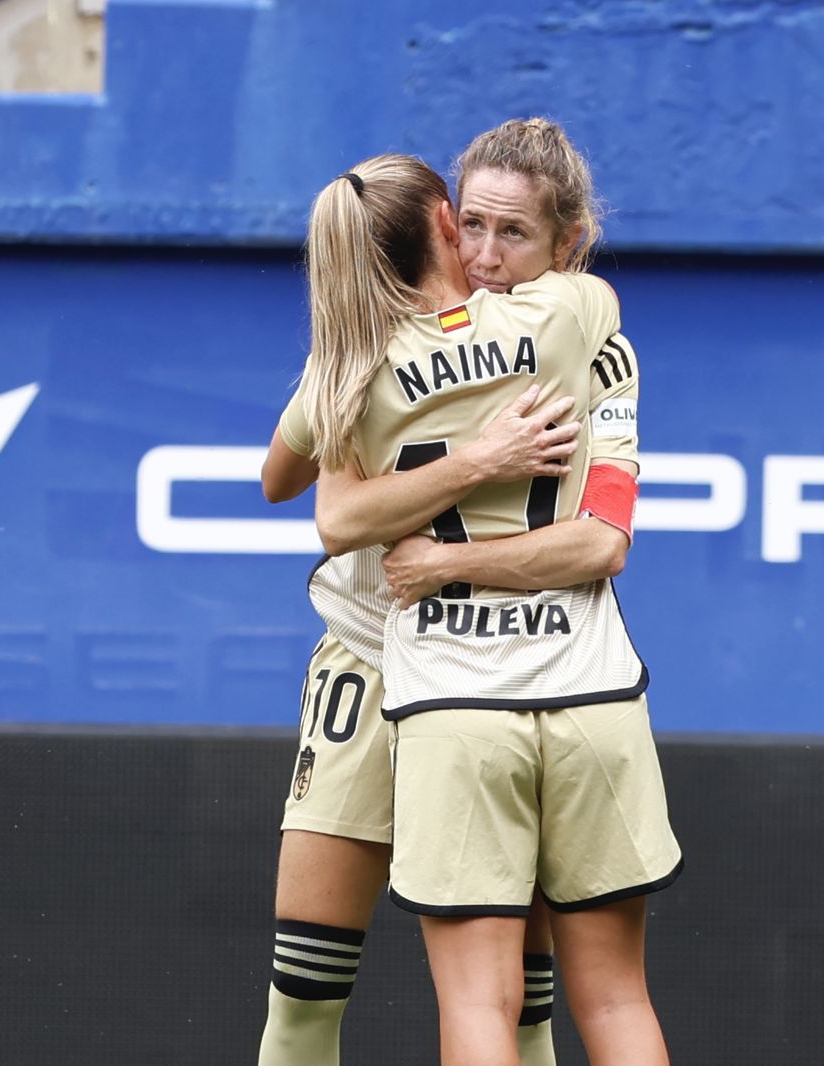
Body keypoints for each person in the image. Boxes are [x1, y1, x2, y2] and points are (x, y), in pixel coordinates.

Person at [256, 117, 633, 1065]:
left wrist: (454, 551)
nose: (488, 255)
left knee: (516, 1005)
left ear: (562, 245)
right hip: (375, 657)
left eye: (512, 235)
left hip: (497, 676)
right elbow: (315, 501)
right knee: (307, 982)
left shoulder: (571, 343)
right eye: (472, 228)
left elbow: (601, 541)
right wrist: (478, 458)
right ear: (440, 221)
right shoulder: (356, 347)